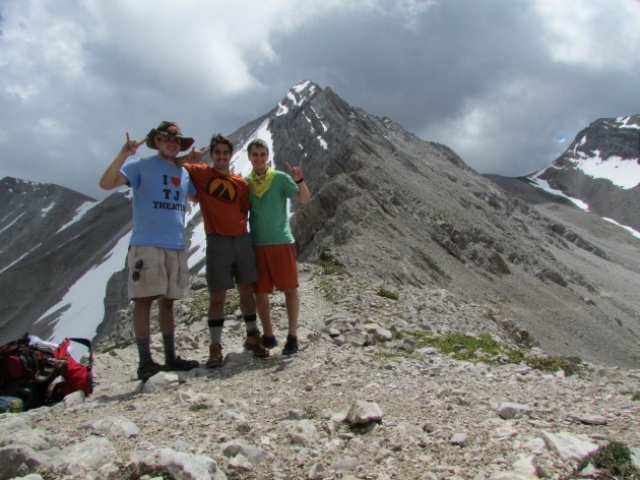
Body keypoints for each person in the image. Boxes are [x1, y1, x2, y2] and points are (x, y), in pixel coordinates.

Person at [98, 121, 200, 381]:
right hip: (147, 243)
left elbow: (198, 197)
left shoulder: (184, 172)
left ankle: (169, 357)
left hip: (176, 244)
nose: (172, 143)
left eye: (176, 141)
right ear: (157, 141)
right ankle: (145, 362)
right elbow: (106, 183)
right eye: (166, 139)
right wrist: (124, 154)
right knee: (143, 300)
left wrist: (196, 165)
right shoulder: (140, 166)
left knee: (168, 302)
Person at [181, 134, 269, 367]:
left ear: (230, 155)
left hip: (241, 239)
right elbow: (173, 166)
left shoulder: (241, 183)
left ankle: (252, 336)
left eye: (225, 153)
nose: (221, 156)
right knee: (217, 296)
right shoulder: (200, 172)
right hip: (217, 241)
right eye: (217, 152)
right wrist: (188, 158)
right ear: (211, 154)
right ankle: (215, 347)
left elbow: (243, 210)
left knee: (246, 290)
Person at [245, 139, 310, 355]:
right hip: (257, 243)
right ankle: (269, 335)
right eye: (255, 155)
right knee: (260, 292)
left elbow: (304, 198)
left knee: (290, 289)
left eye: (262, 154)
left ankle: (292, 337)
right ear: (249, 157)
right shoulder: (246, 183)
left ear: (268, 156)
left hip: (281, 241)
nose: (259, 158)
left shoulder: (280, 179)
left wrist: (299, 179)